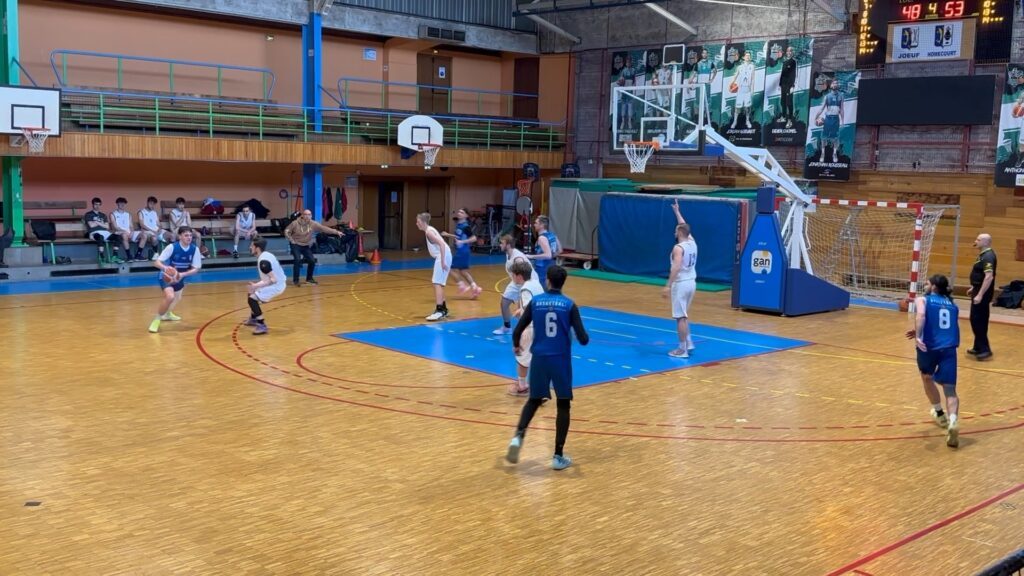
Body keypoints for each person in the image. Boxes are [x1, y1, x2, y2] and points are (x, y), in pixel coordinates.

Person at [505, 265, 589, 471]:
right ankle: (558, 456)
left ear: (548, 281)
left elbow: (519, 329)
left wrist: (516, 344)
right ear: (563, 282)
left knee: (533, 401)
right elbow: (583, 339)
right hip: (560, 359)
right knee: (563, 404)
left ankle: (517, 439)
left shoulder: (536, 302)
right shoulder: (569, 305)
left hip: (540, 358)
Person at [905, 274, 961, 448]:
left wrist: (919, 336)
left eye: (928, 283)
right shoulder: (953, 304)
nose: (925, 285)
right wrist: (919, 331)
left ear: (934, 287)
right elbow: (944, 324)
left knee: (926, 377)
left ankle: (938, 412)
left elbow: (921, 316)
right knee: (950, 390)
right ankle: (953, 420)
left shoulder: (923, 300)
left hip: (929, 347)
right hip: (949, 348)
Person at [149, 226, 202, 333]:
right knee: (170, 297)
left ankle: (168, 314)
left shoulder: (194, 249)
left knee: (177, 298)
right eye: (186, 235)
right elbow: (156, 262)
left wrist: (183, 274)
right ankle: (156, 320)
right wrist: (165, 268)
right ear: (180, 236)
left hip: (179, 277)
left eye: (191, 235)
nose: (189, 238)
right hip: (166, 275)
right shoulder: (172, 247)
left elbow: (197, 268)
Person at [663, 200, 698, 358]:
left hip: (681, 284)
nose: (674, 232)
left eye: (676, 231)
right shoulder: (692, 243)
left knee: (680, 318)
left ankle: (682, 349)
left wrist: (668, 285)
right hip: (692, 282)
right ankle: (689, 342)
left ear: (679, 233)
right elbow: (684, 225)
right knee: (684, 315)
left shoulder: (678, 248)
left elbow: (676, 267)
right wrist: (677, 212)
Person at [507, 259, 545, 396]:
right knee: (536, 357)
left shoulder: (525, 289)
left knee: (522, 357)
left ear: (519, 276)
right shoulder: (536, 284)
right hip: (542, 326)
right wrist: (521, 311)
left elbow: (531, 308)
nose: (512, 278)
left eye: (513, 275)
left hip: (531, 327)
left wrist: (523, 316)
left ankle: (522, 387)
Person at [284, 209, 343, 287]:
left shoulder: (313, 224)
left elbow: (324, 228)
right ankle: (296, 280)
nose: (307, 216)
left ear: (311, 216)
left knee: (312, 261)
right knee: (297, 260)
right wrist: (291, 240)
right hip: (296, 244)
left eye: (309, 214)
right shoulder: (295, 223)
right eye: (306, 214)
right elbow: (286, 231)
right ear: (302, 215)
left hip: (305, 245)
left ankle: (309, 279)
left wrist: (336, 232)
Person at [244, 237, 286, 335]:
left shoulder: (263, 262)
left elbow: (273, 280)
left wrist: (256, 285)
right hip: (275, 282)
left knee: (252, 299)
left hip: (276, 286)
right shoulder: (267, 254)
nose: (250, 247)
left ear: (257, 248)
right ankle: (253, 318)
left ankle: (261, 325)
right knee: (251, 292)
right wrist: (256, 286)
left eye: (251, 246)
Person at [493, 234, 533, 335]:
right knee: (504, 303)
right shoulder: (508, 254)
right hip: (516, 281)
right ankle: (507, 327)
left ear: (508, 245)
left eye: (502, 243)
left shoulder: (518, 258)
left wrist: (521, 295)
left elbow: (525, 275)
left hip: (527, 282)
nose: (500, 245)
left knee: (524, 308)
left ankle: (530, 329)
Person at [415, 212, 452, 321]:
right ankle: (444, 309)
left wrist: (443, 262)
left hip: (443, 255)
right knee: (438, 283)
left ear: (422, 222)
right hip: (443, 255)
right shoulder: (429, 230)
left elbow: (441, 244)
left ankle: (439, 310)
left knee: (436, 283)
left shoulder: (429, 233)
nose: (416, 223)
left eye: (417, 222)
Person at [966, 233, 997, 360]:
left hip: (983, 294)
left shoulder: (988, 256)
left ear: (985, 242)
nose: (975, 241)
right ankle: (978, 346)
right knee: (975, 319)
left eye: (978, 239)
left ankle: (985, 349)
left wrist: (980, 294)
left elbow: (989, 277)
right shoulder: (983, 255)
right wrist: (974, 287)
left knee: (978, 320)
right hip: (978, 289)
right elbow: (981, 275)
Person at [441, 208, 482, 298]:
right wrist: (448, 235)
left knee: (448, 268)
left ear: (466, 215)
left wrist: (462, 242)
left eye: (462, 212)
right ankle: (475, 288)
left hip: (463, 251)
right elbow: (458, 236)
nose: (459, 213)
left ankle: (461, 285)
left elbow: (474, 238)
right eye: (459, 211)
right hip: (462, 251)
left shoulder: (466, 226)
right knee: (463, 271)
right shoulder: (459, 225)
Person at [815, 79, 843, 163]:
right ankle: (822, 154)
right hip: (828, 119)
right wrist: (816, 117)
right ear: (831, 86)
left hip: (836, 119)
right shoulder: (827, 96)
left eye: (836, 83)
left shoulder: (841, 96)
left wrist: (843, 121)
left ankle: (834, 153)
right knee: (824, 138)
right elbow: (822, 108)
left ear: (837, 86)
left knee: (836, 138)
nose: (835, 84)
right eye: (834, 83)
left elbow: (842, 110)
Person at [109, 197, 146, 262]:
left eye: (124, 203)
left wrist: (132, 232)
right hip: (119, 233)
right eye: (120, 203)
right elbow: (115, 227)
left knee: (144, 235)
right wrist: (124, 231)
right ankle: (129, 256)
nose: (122, 204)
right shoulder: (113, 214)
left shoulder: (128, 214)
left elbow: (131, 226)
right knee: (124, 235)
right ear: (117, 204)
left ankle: (138, 255)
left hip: (129, 233)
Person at [527, 215, 560, 287]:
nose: (534, 225)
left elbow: (548, 255)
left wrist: (531, 256)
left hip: (542, 267)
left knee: (541, 288)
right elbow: (559, 250)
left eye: (536, 223)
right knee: (550, 286)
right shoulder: (553, 235)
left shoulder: (542, 238)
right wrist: (551, 256)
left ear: (541, 225)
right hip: (552, 265)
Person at [82, 197, 114, 263]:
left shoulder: (103, 215)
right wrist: (101, 223)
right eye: (96, 204)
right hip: (93, 232)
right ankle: (102, 256)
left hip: (104, 232)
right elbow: (91, 225)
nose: (97, 206)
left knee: (118, 237)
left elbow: (107, 226)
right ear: (92, 205)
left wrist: (96, 222)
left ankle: (115, 256)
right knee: (100, 237)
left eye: (99, 204)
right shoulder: (88, 214)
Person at [731, 51, 755, 130]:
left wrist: (752, 90)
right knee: (737, 107)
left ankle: (747, 121)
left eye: (749, 56)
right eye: (746, 56)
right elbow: (735, 76)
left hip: (747, 89)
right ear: (743, 57)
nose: (748, 57)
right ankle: (735, 121)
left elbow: (753, 79)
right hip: (740, 90)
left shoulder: (752, 66)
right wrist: (731, 84)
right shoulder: (739, 67)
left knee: (747, 107)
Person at [779, 46, 797, 128]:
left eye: (790, 51)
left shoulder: (793, 62)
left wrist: (792, 86)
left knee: (789, 103)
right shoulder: (784, 62)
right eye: (787, 51)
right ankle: (783, 117)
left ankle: (789, 121)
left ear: (792, 52)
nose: (789, 52)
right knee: (783, 101)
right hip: (783, 85)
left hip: (789, 86)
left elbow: (793, 75)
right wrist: (780, 84)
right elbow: (782, 75)